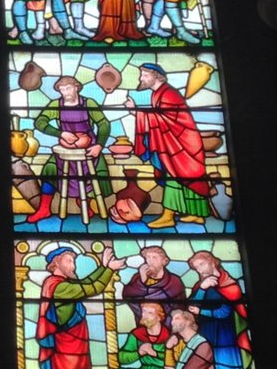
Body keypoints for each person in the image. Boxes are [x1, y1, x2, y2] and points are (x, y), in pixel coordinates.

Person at [28, 243, 118, 369]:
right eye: (70, 260)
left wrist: (104, 267)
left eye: (74, 260)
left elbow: (85, 283)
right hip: (65, 353)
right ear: (56, 263)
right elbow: (91, 288)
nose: (73, 264)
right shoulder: (59, 286)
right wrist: (109, 270)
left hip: (74, 348)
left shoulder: (60, 284)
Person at [128, 63, 218, 229]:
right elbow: (162, 120)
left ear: (157, 76)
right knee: (183, 176)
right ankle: (195, 213)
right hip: (174, 142)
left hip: (181, 143)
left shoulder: (168, 94)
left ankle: (169, 216)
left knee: (176, 178)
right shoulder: (158, 94)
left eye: (145, 75)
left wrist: (137, 112)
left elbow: (169, 120)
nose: (141, 78)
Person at [188, 250, 261, 369]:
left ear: (213, 263)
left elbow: (224, 311)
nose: (199, 270)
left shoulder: (228, 285)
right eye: (196, 268)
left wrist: (201, 310)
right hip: (207, 340)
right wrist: (202, 289)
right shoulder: (201, 286)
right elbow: (191, 307)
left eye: (201, 265)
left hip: (226, 342)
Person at [25, 75, 111, 224]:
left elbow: (104, 124)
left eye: (68, 88)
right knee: (49, 169)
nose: (66, 92)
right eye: (62, 89)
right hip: (65, 151)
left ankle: (84, 202)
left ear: (76, 87)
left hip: (89, 151)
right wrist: (60, 133)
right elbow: (40, 122)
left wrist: (99, 145)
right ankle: (44, 208)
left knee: (94, 174)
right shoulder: (56, 105)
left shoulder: (88, 103)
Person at [120, 245, 185, 324]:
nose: (150, 261)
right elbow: (128, 295)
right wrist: (142, 282)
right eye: (148, 257)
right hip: (144, 324)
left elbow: (179, 308)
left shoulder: (174, 281)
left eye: (154, 257)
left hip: (169, 325)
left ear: (164, 261)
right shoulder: (138, 278)